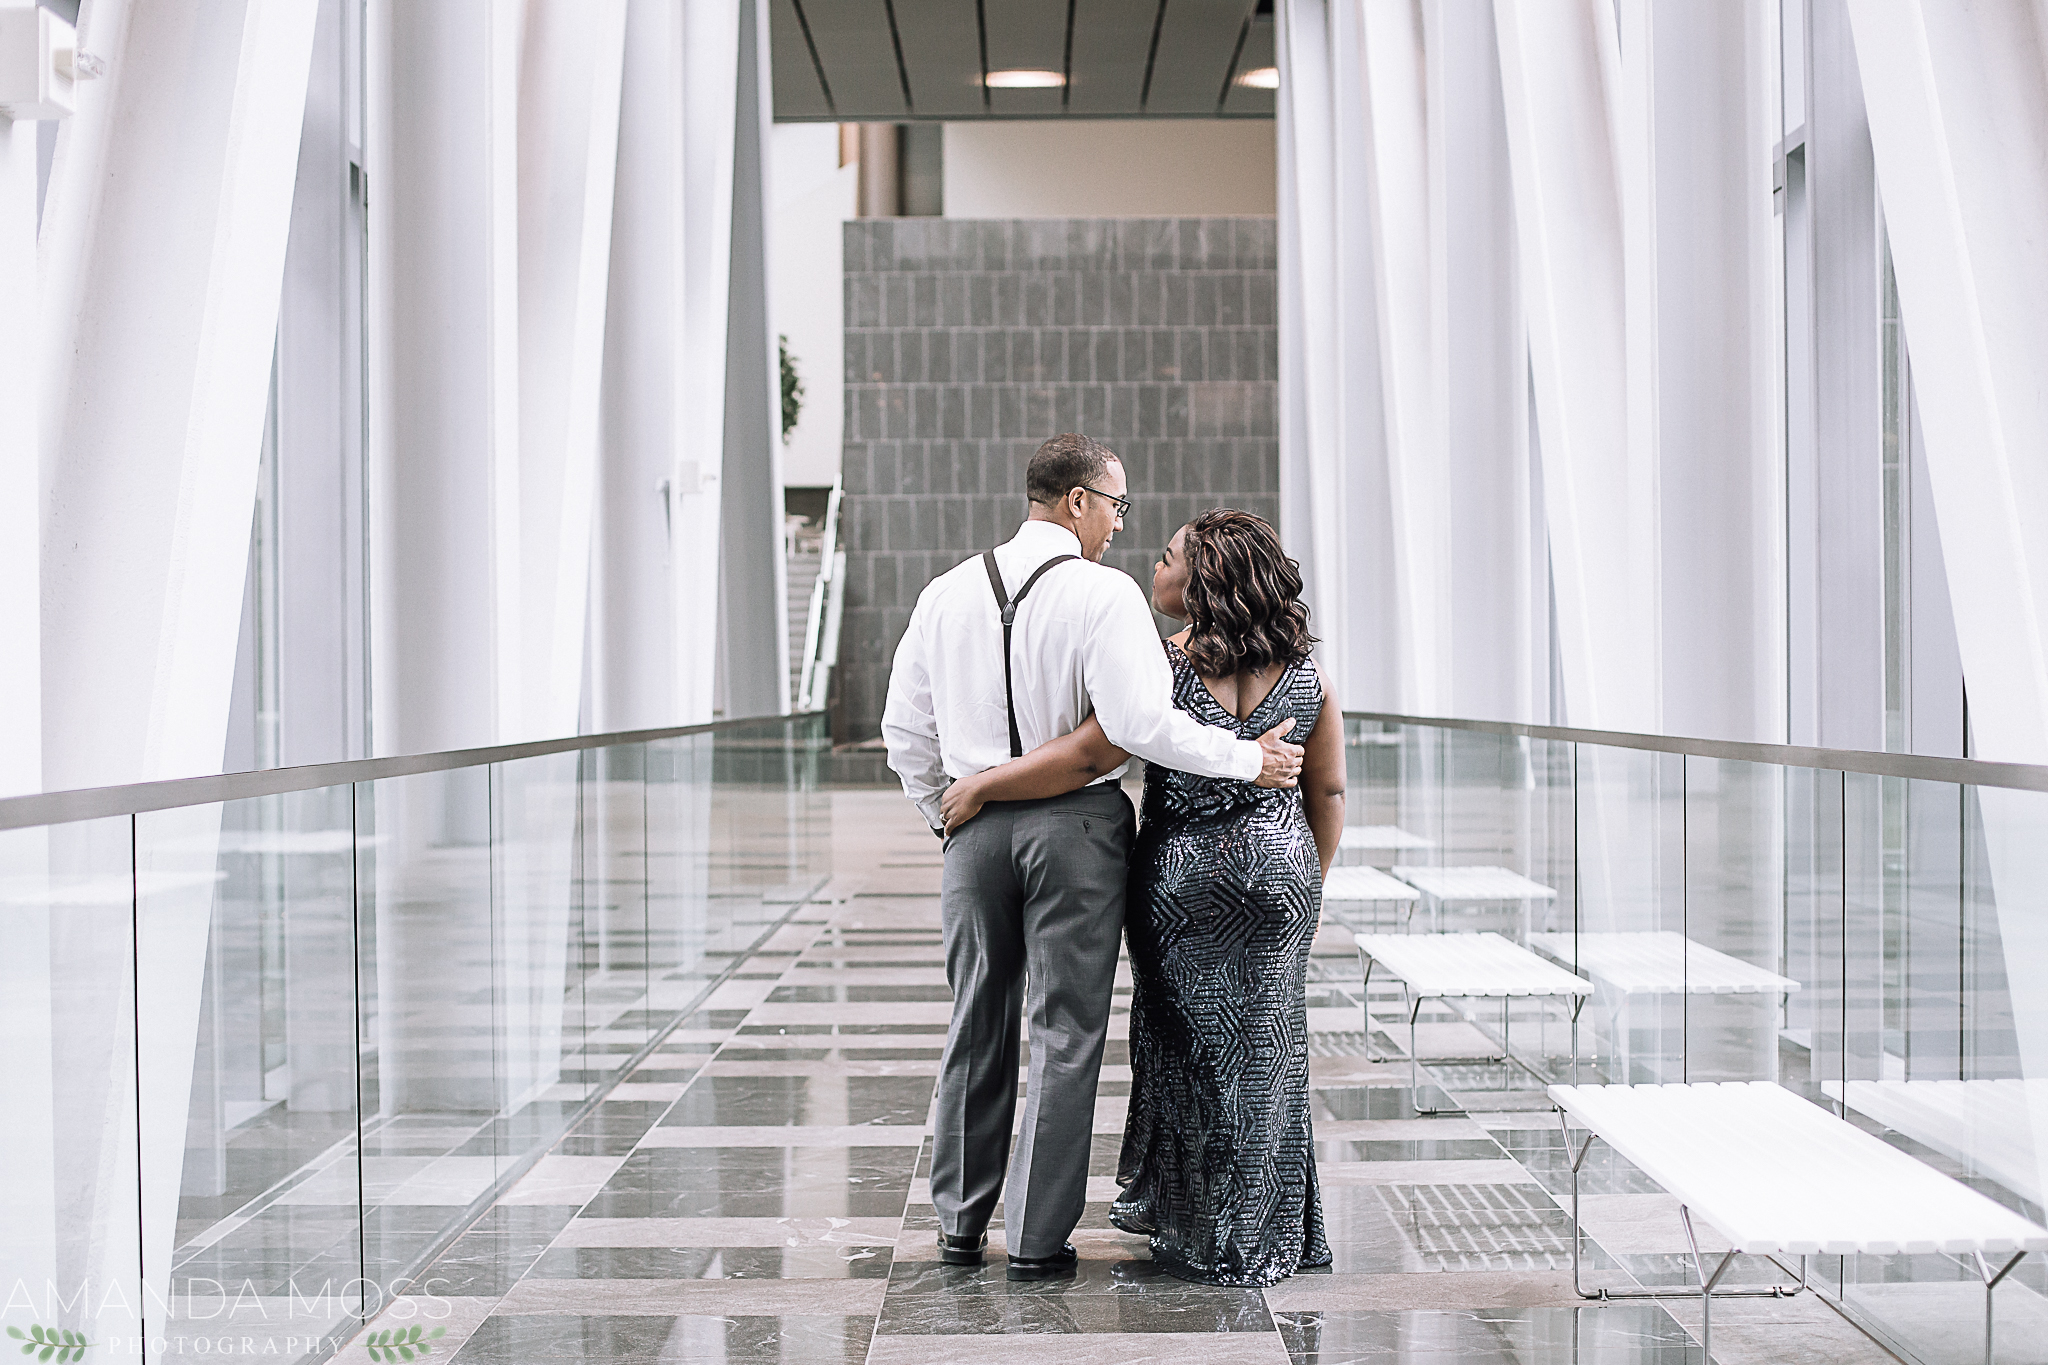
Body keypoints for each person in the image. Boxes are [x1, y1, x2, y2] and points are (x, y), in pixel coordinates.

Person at [882, 435, 1307, 1282]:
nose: (1120, 523)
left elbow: (905, 731)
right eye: (1116, 504)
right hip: (1075, 833)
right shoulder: (1103, 595)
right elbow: (1138, 724)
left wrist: (949, 811)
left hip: (973, 830)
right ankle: (1038, 1240)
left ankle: (959, 1224)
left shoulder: (946, 592)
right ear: (1076, 500)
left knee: (975, 1021)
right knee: (1066, 1032)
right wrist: (1245, 758)